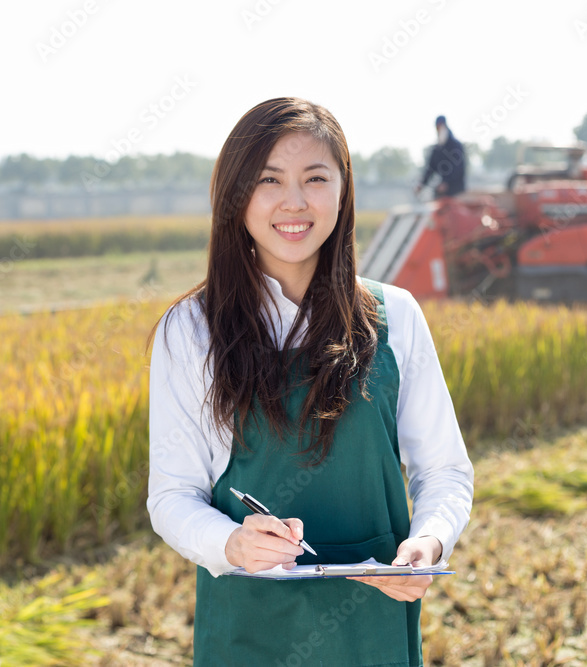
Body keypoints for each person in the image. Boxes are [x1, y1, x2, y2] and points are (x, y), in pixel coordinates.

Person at [147, 97, 474, 666]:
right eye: (269, 179)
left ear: (343, 191)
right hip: (248, 630)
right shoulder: (192, 328)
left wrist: (431, 540)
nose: (294, 202)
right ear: (235, 194)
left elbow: (444, 469)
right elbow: (172, 495)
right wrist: (232, 542)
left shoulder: (393, 315)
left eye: (315, 178)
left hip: (371, 627)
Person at [416, 115, 466, 198]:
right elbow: (430, 168)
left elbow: (458, 168)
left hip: (457, 189)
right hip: (442, 190)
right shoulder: (437, 149)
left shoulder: (456, 146)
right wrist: (421, 184)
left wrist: (447, 182)